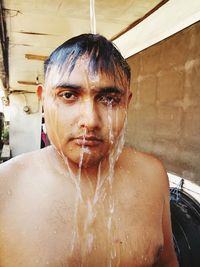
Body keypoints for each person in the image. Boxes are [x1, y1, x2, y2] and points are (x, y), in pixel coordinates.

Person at [0, 34, 179, 267]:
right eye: (68, 95)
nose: (90, 120)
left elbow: (167, 262)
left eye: (109, 99)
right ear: (43, 100)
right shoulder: (6, 186)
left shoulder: (152, 176)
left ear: (127, 103)